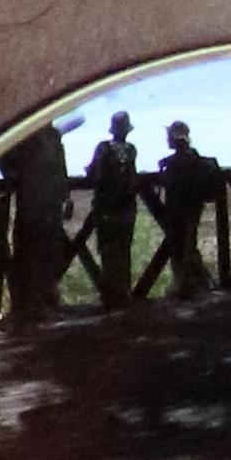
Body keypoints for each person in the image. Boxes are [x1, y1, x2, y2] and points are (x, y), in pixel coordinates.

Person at [0, 124, 72, 321]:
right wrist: (13, 176)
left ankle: (47, 300)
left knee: (52, 251)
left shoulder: (53, 135)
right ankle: (32, 304)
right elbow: (3, 157)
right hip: (31, 203)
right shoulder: (24, 134)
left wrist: (66, 196)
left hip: (51, 203)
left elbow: (60, 167)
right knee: (31, 253)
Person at [86, 111, 139, 310]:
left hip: (106, 208)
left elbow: (95, 175)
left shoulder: (104, 148)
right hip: (127, 208)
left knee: (109, 253)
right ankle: (124, 294)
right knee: (124, 252)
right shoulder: (131, 150)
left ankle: (110, 297)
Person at [158, 121, 216, 299]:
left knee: (182, 246)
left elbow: (172, 184)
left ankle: (189, 285)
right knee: (187, 245)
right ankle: (196, 284)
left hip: (181, 210)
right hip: (191, 209)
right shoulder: (193, 160)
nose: (167, 140)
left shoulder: (177, 163)